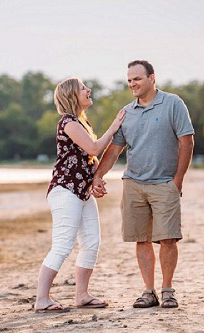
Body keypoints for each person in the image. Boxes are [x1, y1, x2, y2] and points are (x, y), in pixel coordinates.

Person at [92, 60, 194, 309]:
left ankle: (168, 290)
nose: (132, 84)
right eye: (129, 80)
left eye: (137, 78)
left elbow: (187, 142)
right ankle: (149, 292)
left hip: (164, 183)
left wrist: (177, 180)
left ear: (152, 78)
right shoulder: (127, 112)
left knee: (168, 238)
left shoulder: (173, 103)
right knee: (141, 239)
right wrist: (98, 176)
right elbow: (114, 151)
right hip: (134, 184)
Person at [34, 77, 126, 313]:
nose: (89, 90)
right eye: (83, 88)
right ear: (72, 96)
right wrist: (114, 126)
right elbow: (94, 148)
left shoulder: (81, 123)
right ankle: (42, 299)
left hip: (81, 192)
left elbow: (89, 159)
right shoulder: (68, 122)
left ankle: (82, 295)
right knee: (63, 245)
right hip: (65, 191)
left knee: (92, 242)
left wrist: (97, 180)